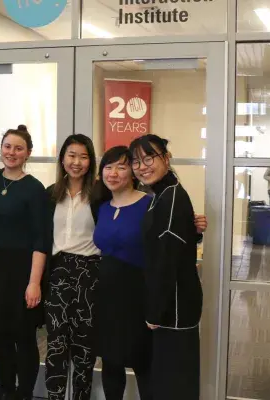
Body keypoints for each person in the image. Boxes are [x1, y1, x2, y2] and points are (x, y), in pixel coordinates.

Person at [0, 124, 48, 400]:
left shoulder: (34, 189)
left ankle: (24, 393)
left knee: (24, 337)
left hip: (22, 270)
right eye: (7, 146)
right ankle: (5, 389)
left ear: (28, 153)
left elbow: (41, 240)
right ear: (1, 148)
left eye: (18, 148)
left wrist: (34, 283)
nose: (12, 152)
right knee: (0, 336)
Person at [129, 134, 203, 400]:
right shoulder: (162, 195)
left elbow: (166, 260)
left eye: (149, 158)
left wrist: (155, 313)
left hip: (173, 309)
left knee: (174, 384)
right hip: (171, 307)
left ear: (166, 158)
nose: (142, 166)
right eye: (136, 161)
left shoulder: (170, 197)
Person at [92, 146, 153, 400]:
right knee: (111, 359)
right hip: (106, 294)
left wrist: (195, 227)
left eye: (121, 166)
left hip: (139, 294)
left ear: (133, 172)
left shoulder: (149, 204)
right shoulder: (102, 207)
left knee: (143, 361)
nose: (113, 173)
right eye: (108, 167)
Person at [44, 134, 100, 400]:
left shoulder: (101, 194)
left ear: (91, 161)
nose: (77, 162)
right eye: (71, 155)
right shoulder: (50, 194)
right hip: (57, 273)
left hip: (90, 274)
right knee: (55, 345)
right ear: (63, 158)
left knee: (85, 349)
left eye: (83, 156)